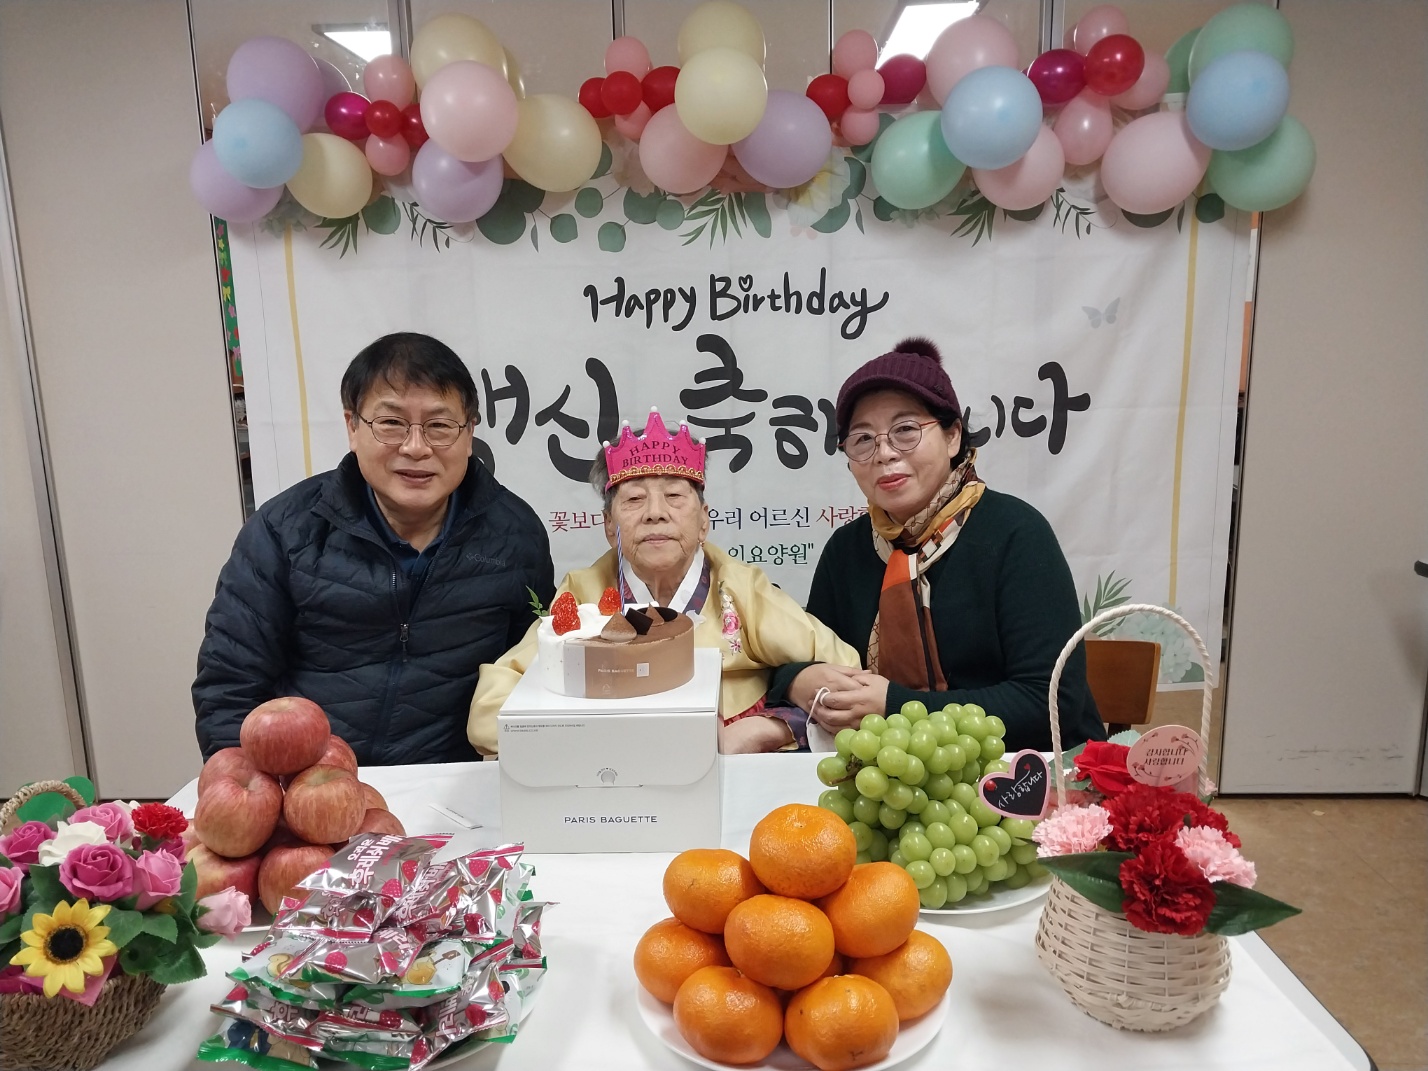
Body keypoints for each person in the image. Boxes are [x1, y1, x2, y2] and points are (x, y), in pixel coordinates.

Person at [193, 332, 554, 764]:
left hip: (459, 778)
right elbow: (230, 685)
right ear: (353, 426)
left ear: (469, 432)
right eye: (391, 423)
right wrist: (249, 787)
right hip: (310, 775)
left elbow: (535, 676)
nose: (416, 447)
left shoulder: (515, 534)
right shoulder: (284, 530)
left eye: (440, 426)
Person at [766, 337, 1104, 753]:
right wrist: (798, 680)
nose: (884, 453)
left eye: (905, 430)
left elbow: (1049, 703)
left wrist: (895, 706)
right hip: (887, 774)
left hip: (1029, 771)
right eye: (863, 439)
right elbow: (802, 652)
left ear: (953, 436)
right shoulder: (847, 550)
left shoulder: (1016, 533)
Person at [467, 409, 861, 754]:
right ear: (609, 526)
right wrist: (601, 742)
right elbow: (489, 711)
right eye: (634, 499)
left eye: (674, 496)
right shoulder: (584, 593)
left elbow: (846, 676)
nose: (655, 513)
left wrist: (772, 726)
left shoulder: (740, 590)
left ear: (704, 520)